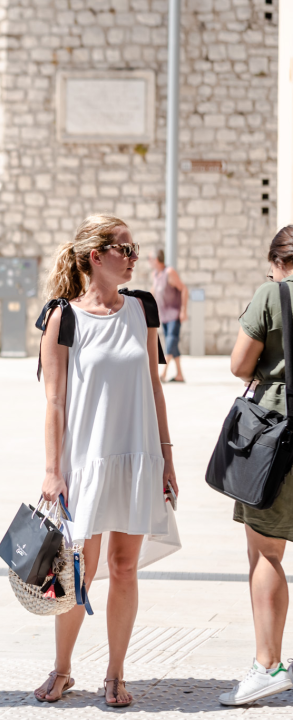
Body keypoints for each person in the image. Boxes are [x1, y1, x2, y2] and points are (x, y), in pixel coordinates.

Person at [33, 215, 180, 708]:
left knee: (124, 567)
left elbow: (154, 386)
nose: (134, 257)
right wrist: (52, 470)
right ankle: (62, 669)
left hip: (137, 455)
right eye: (125, 249)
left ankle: (115, 673)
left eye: (135, 248)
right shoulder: (63, 318)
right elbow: (54, 402)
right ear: (96, 257)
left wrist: (167, 457)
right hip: (86, 461)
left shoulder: (143, 308)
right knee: (79, 571)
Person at [222, 226, 293, 705]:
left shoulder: (272, 294)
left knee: (266, 552)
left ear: (277, 261)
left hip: (278, 434)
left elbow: (239, 365)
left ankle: (268, 665)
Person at [150, 249, 188, 382]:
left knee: (171, 341)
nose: (149, 262)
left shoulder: (169, 272)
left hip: (174, 315)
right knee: (173, 344)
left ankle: (163, 373)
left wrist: (183, 310)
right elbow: (153, 292)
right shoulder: (156, 274)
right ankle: (179, 375)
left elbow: (184, 289)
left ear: (156, 260)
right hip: (163, 316)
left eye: (150, 259)